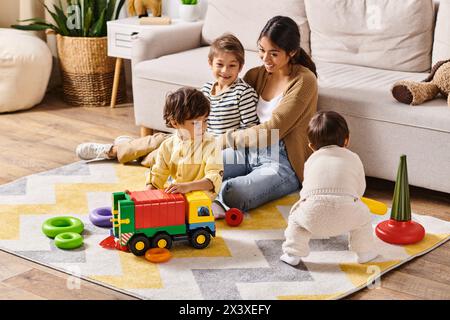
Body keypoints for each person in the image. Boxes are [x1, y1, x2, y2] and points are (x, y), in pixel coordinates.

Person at [75, 33, 258, 166]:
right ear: (210, 63)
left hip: (212, 147)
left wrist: (221, 144)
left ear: (240, 67)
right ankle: (110, 150)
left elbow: (251, 130)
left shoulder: (244, 93)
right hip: (192, 139)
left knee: (156, 157)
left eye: (232, 66)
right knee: (158, 139)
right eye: (220, 64)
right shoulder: (206, 90)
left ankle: (124, 147)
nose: (225, 71)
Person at [211, 15, 319, 217]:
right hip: (247, 150)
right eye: (261, 50)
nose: (265, 59)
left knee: (233, 192)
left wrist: (226, 139)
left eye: (274, 54)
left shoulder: (305, 81)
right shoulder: (255, 75)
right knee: (197, 165)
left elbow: (273, 131)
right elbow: (232, 106)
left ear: (292, 52)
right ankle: (202, 191)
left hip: (281, 161)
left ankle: (212, 194)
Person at [280, 111, 378, 266]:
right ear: (347, 140)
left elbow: (306, 190)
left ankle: (292, 253)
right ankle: (364, 252)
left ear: (311, 146)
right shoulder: (354, 158)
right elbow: (360, 189)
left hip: (313, 216)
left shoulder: (311, 160)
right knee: (364, 216)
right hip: (347, 215)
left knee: (296, 219)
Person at [146, 87, 223, 201]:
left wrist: (187, 187)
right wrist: (143, 194)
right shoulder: (167, 146)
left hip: (201, 200)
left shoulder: (211, 144)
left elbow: (213, 179)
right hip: (178, 197)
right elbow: (157, 178)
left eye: (205, 120)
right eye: (195, 123)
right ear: (175, 123)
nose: (203, 127)